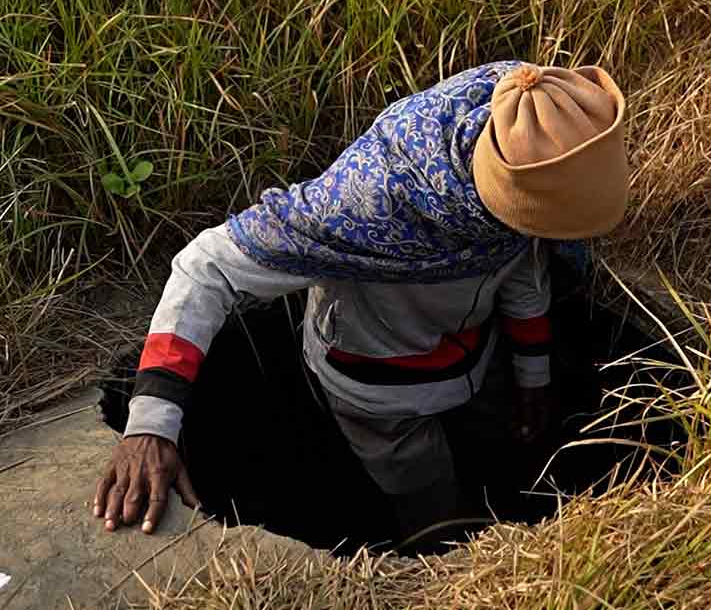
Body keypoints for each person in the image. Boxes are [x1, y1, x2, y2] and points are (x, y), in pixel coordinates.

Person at [92, 61, 629, 540]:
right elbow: (206, 265)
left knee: (508, 459)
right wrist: (153, 421)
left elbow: (523, 269)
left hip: (481, 355)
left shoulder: (537, 112)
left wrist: (532, 376)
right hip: (380, 390)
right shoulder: (363, 206)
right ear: (500, 191)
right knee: (437, 516)